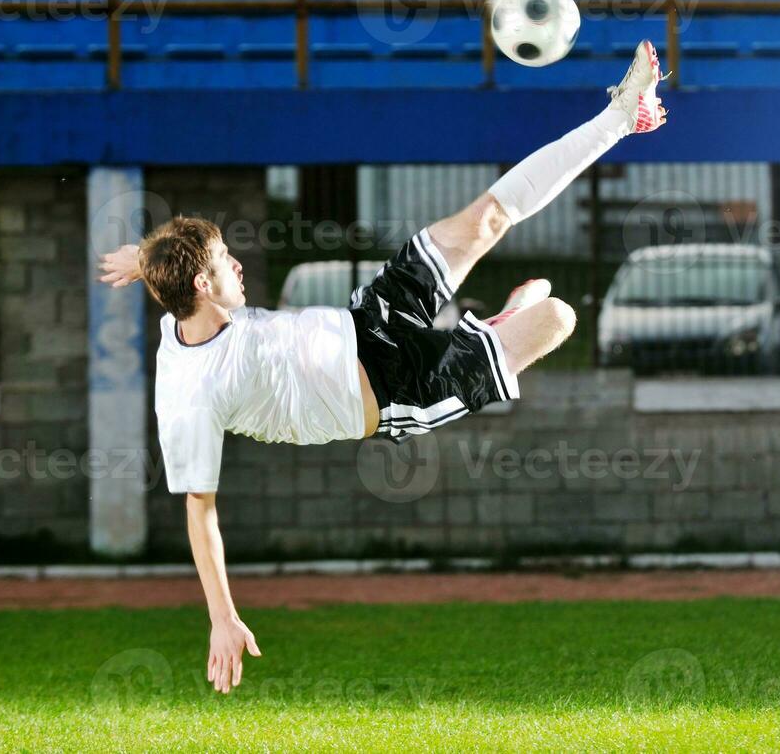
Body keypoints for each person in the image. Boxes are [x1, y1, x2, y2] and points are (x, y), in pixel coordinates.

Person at [98, 39, 669, 694]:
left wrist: (141, 257)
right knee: (558, 318)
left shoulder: (185, 293)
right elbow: (200, 510)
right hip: (398, 392)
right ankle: (501, 325)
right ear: (201, 285)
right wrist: (221, 617)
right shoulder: (187, 392)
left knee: (487, 218)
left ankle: (624, 116)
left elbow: (170, 266)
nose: (238, 265)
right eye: (226, 261)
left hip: (368, 316)